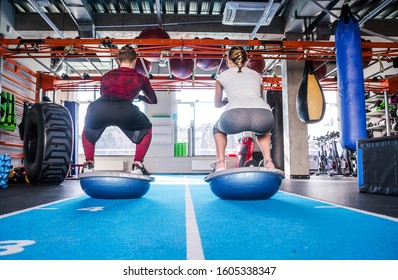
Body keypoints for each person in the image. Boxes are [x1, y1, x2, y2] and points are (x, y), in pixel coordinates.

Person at [82, 44, 157, 175]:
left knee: (88, 126)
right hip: (124, 110)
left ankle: (88, 163)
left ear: (118, 61)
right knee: (147, 127)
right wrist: (139, 97)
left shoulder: (106, 76)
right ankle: (138, 165)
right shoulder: (141, 78)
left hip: (99, 108)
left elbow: (103, 94)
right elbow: (153, 100)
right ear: (135, 61)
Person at [211, 46, 275, 172]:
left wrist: (224, 102)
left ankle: (220, 163)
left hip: (235, 116)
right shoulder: (257, 75)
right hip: (263, 115)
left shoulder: (221, 76)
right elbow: (259, 97)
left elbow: (217, 104)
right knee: (263, 130)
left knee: (217, 129)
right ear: (246, 61)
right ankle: (268, 161)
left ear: (228, 61)